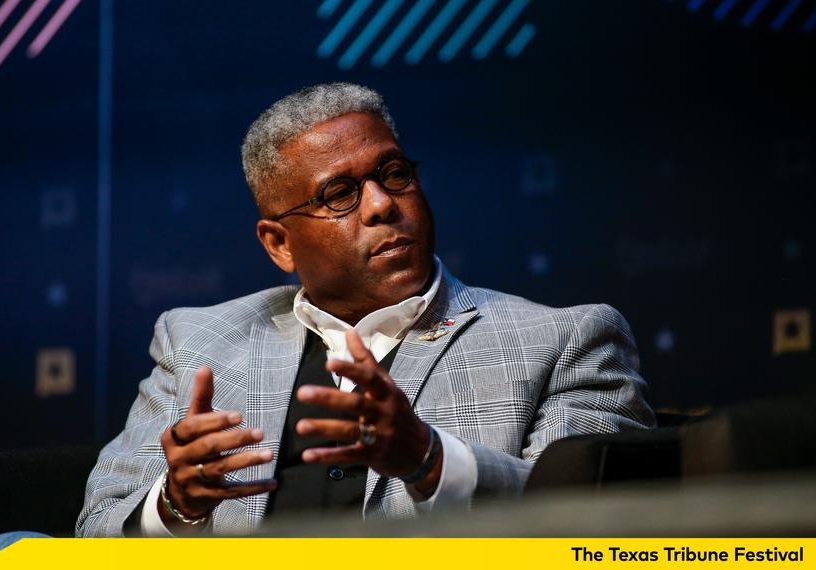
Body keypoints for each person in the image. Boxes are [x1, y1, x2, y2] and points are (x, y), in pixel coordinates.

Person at [76, 82, 655, 537]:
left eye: (394, 174)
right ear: (279, 243)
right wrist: (176, 504)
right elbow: (94, 531)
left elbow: (599, 529)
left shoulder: (564, 340)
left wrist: (429, 460)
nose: (382, 204)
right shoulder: (199, 341)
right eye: (339, 194)